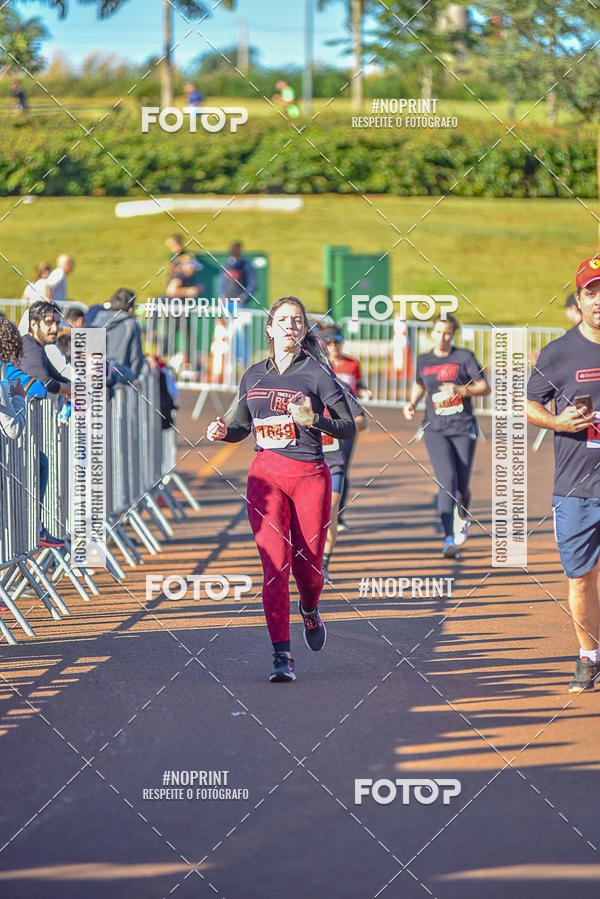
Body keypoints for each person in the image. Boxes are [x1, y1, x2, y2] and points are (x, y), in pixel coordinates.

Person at [206, 296, 355, 682]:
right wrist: (224, 433)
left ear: (304, 330)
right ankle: (281, 655)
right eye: (283, 319)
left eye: (297, 320)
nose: (291, 325)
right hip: (265, 477)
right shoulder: (253, 375)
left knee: (309, 569)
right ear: (270, 329)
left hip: (309, 478)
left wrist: (314, 419)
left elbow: (348, 426)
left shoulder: (317, 374)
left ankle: (310, 609)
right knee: (275, 565)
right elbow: (241, 426)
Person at [527, 256, 600, 693]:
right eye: (592, 292)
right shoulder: (558, 353)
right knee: (581, 576)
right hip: (577, 487)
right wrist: (556, 421)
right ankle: (589, 655)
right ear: (579, 299)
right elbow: (530, 403)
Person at [403, 314, 490, 558]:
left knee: (461, 486)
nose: (443, 337)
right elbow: (420, 383)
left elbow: (484, 387)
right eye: (439, 332)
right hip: (435, 429)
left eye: (448, 333)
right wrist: (411, 403)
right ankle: (448, 539)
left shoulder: (464, 357)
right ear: (431, 333)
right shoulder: (424, 360)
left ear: (453, 334)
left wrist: (460, 390)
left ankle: (462, 514)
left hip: (463, 428)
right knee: (447, 481)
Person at [6, 305, 65, 549]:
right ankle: (34, 528)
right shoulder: (21, 357)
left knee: (39, 462)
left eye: (57, 322)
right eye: (49, 322)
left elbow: (53, 381)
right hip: (12, 442)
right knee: (38, 462)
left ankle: (33, 529)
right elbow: (41, 387)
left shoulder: (37, 349)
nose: (55, 328)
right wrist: (71, 390)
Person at [320, 326, 371, 533]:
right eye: (329, 343)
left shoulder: (352, 364)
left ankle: (337, 515)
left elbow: (358, 385)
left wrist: (364, 391)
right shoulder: (319, 365)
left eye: (337, 342)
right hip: (323, 426)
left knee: (341, 468)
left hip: (347, 421)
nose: (334, 346)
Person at [91, 288, 145, 379]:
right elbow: (136, 358)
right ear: (131, 310)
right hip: (119, 378)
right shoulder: (131, 325)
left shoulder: (96, 320)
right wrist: (132, 380)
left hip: (94, 377)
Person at [218, 242, 257, 306]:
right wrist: (222, 295)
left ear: (240, 252)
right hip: (226, 302)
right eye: (233, 250)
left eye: (236, 250)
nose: (234, 252)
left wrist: (244, 296)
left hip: (239, 303)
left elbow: (252, 284)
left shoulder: (246, 265)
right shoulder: (226, 265)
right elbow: (221, 282)